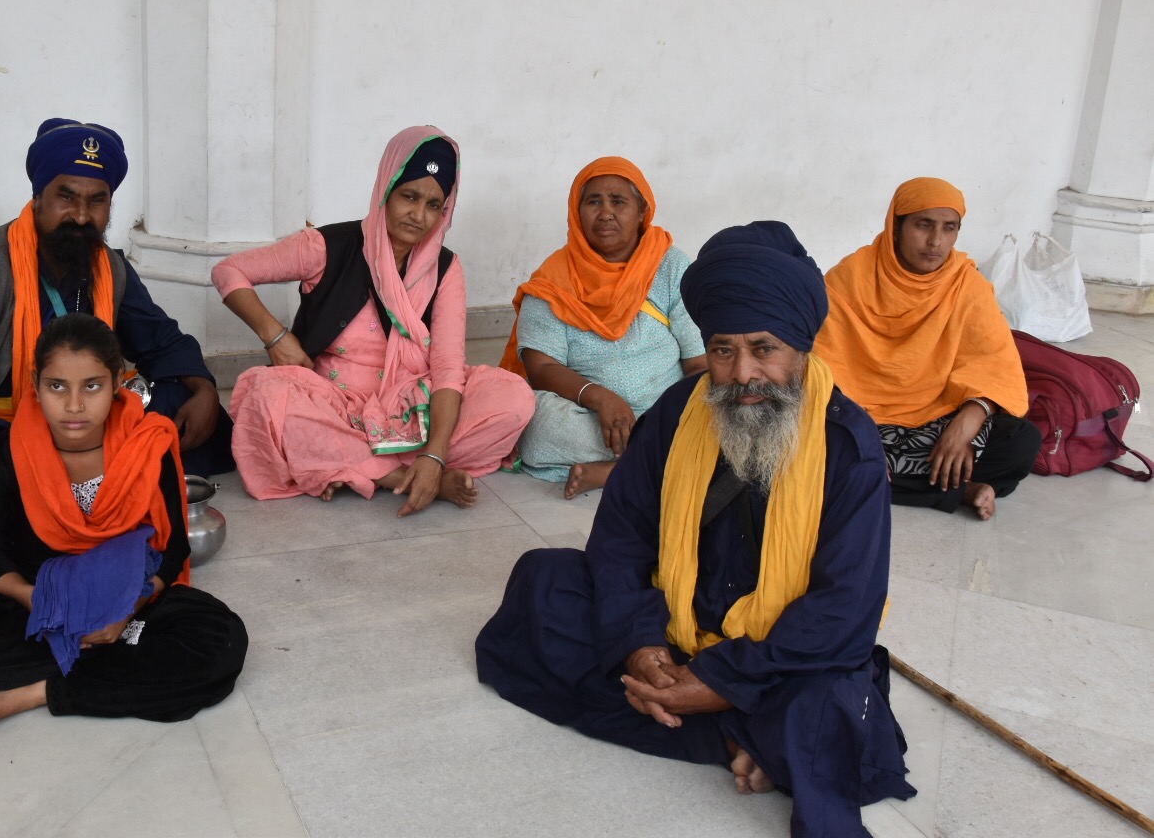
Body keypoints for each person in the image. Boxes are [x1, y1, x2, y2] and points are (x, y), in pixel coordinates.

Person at [476, 221, 914, 838]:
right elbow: (621, 538)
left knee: (829, 701)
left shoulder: (849, 445)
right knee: (542, 584)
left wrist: (723, 680)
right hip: (673, 629)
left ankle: (723, 715)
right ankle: (738, 730)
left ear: (801, 349)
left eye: (765, 349)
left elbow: (845, 609)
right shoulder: (679, 413)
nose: (741, 374)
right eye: (724, 350)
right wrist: (642, 645)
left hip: (774, 659)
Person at [0, 313, 247, 738]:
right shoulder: (8, 454)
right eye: (57, 386)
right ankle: (112, 674)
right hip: (36, 607)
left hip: (131, 604)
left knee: (222, 640)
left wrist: (125, 611)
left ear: (117, 383)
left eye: (91, 386)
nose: (73, 406)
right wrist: (40, 603)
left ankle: (35, 692)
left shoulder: (147, 446)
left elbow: (173, 549)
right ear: (35, 384)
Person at [0, 119, 233, 499]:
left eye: (96, 201)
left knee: (186, 406)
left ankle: (102, 479)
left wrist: (204, 389)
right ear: (38, 198)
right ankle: (113, 479)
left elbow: (160, 338)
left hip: (77, 414)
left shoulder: (107, 266)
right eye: (66, 197)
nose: (81, 216)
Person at [210, 126, 534, 515]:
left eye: (434, 205)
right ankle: (399, 477)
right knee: (266, 397)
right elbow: (229, 271)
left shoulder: (446, 268)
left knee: (514, 399)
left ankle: (366, 466)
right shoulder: (327, 247)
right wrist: (276, 336)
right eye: (409, 196)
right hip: (332, 402)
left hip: (413, 401)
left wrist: (434, 454)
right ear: (386, 189)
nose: (418, 215)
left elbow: (447, 370)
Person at [816, 178, 1039, 520]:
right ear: (896, 227)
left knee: (1021, 441)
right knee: (809, 445)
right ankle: (959, 490)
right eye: (923, 225)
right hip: (858, 416)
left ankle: (872, 481)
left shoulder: (967, 285)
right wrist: (858, 436)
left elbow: (994, 364)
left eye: (949, 229)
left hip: (937, 415)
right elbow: (820, 370)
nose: (936, 241)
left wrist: (967, 421)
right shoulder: (849, 279)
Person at [503, 157, 706, 498]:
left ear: (642, 211)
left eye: (619, 201)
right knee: (534, 420)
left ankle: (618, 470)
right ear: (576, 210)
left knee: (715, 411)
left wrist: (678, 413)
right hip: (586, 414)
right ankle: (660, 463)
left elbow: (699, 362)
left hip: (663, 410)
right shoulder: (554, 278)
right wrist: (599, 398)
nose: (606, 212)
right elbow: (540, 367)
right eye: (593, 201)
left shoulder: (670, 266)